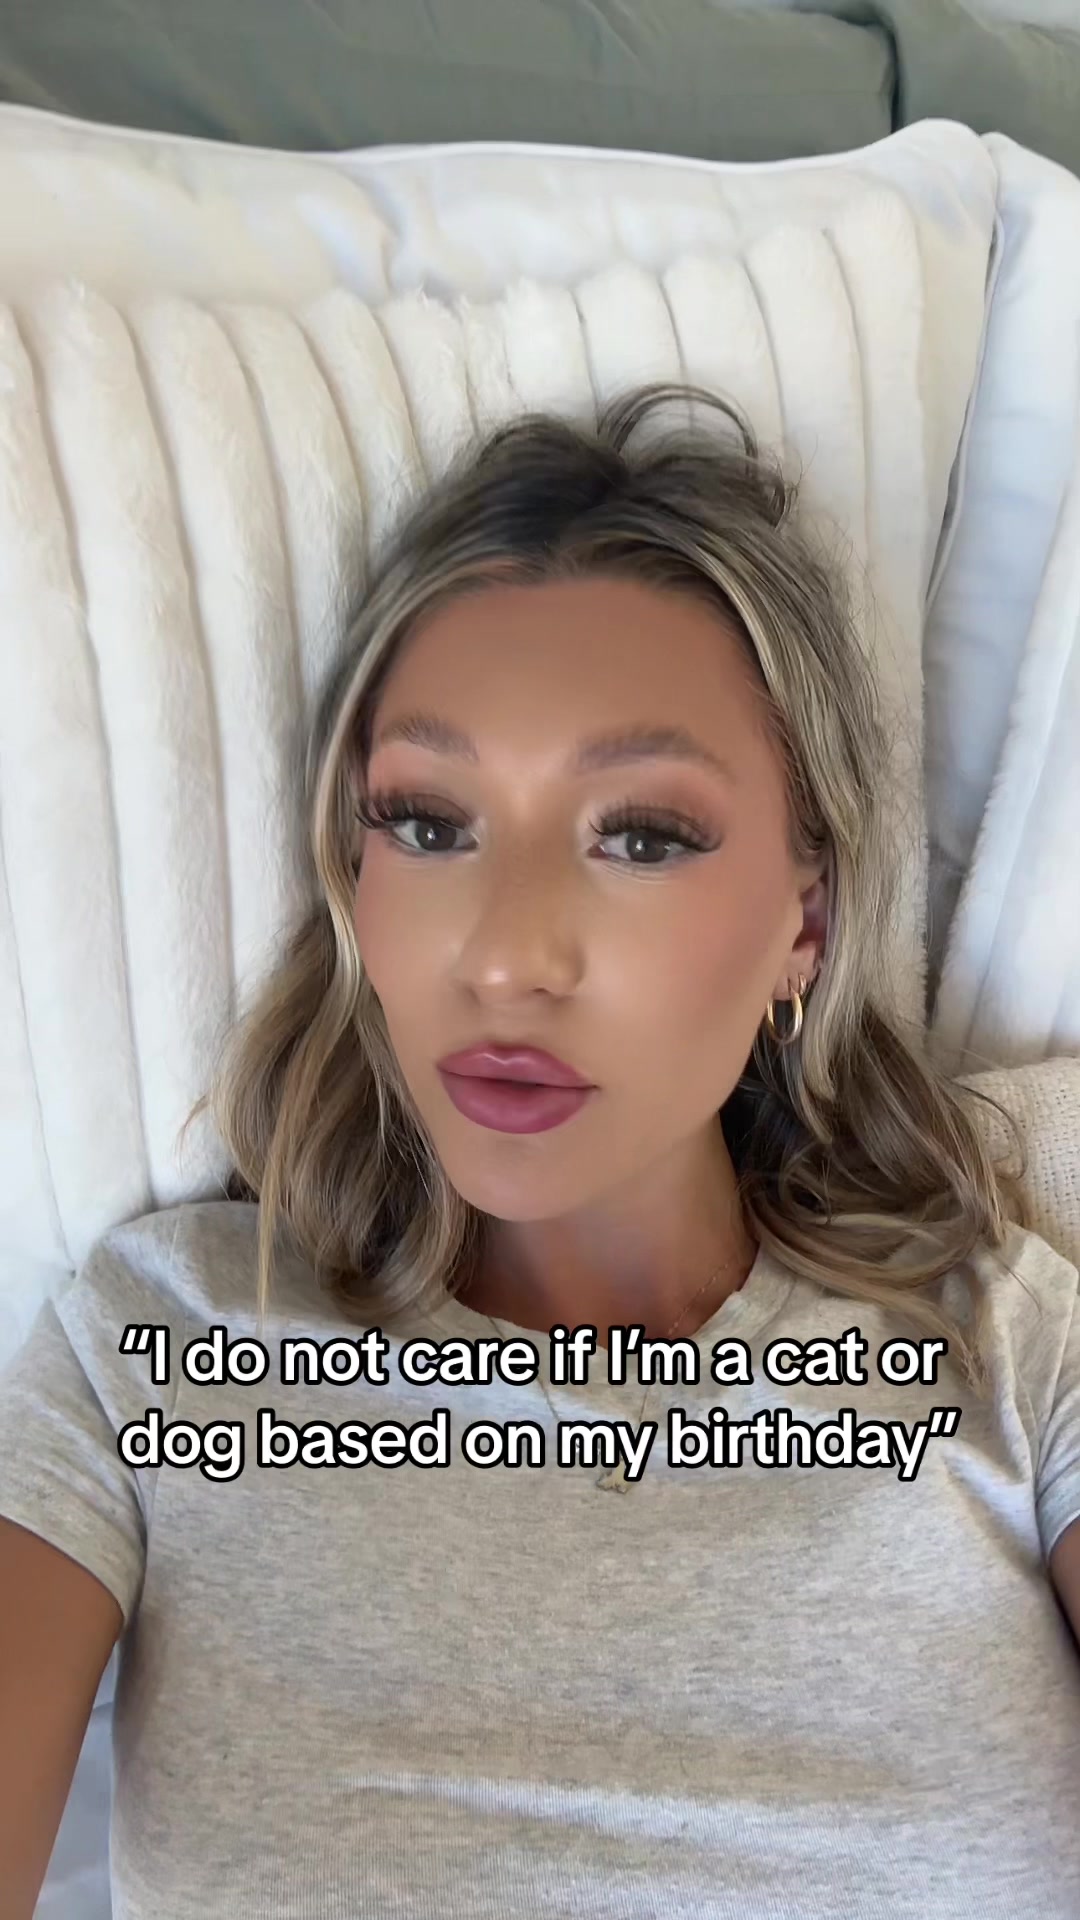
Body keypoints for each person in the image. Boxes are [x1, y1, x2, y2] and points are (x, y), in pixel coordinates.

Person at [1, 383, 1078, 1920]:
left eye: (640, 835)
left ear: (807, 924)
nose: (504, 956)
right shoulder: (156, 1354)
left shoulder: (1012, 1349)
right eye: (428, 823)